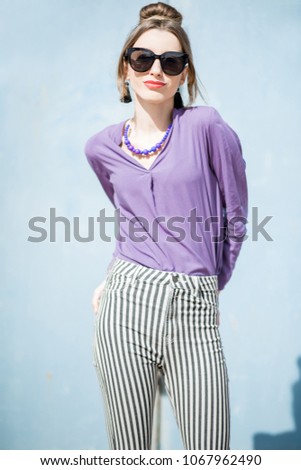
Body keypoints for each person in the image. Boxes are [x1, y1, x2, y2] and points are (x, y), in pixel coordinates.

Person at [84, 1, 248, 450]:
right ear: (126, 69)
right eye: (143, 58)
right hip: (125, 303)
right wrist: (112, 279)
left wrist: (208, 283)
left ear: (184, 75)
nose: (156, 69)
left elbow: (235, 217)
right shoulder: (101, 147)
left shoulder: (207, 127)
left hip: (193, 308)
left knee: (209, 453)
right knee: (130, 454)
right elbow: (133, 221)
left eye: (171, 61)